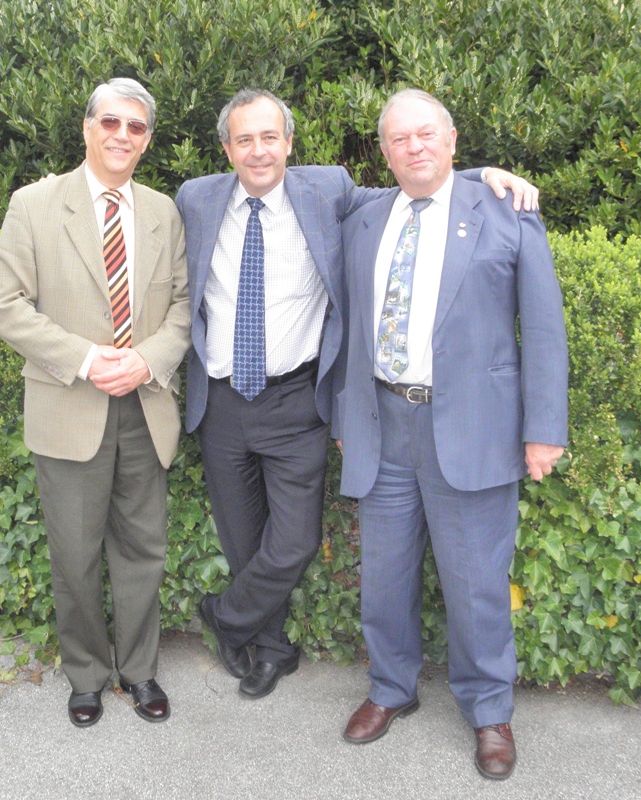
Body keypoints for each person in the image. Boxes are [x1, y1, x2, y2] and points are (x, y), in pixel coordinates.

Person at [175, 88, 539, 700]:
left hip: (295, 400)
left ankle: (225, 615)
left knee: (292, 541)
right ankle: (271, 649)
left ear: (289, 142)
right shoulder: (195, 198)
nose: (259, 150)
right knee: (243, 539)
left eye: (270, 137)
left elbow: (418, 183)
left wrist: (483, 175)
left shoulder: (329, 190)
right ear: (227, 149)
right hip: (221, 401)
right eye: (245, 139)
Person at [335, 88, 568, 779]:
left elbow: (544, 329)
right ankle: (390, 688)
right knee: (383, 578)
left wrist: (543, 429)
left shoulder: (506, 210)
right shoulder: (363, 216)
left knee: (475, 584)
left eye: (427, 134)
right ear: (383, 152)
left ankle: (489, 710)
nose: (414, 147)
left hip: (472, 429)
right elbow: (347, 327)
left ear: (454, 139)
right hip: (382, 425)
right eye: (399, 139)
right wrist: (348, 417)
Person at [0, 78, 190, 728]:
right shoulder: (34, 205)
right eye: (111, 122)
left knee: (142, 552)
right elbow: (5, 305)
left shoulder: (162, 212)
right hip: (71, 406)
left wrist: (147, 359)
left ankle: (139, 670)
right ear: (87, 127)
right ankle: (86, 675)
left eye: (136, 126)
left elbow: (183, 306)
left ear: (147, 140)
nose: (122, 135)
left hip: (145, 406)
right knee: (74, 556)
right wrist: (85, 358)